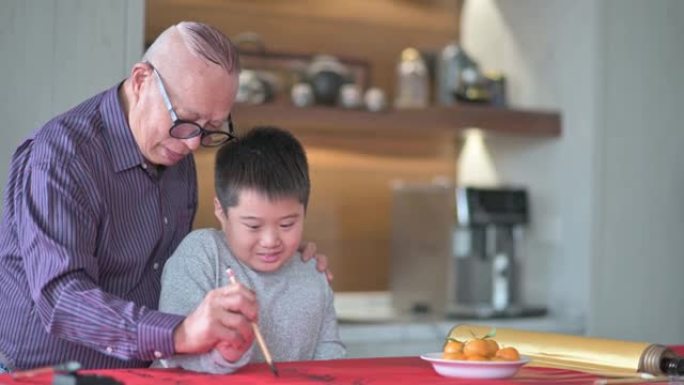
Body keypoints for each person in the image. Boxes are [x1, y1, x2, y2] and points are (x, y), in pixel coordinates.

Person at [0, 21, 330, 372]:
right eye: (185, 121)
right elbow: (63, 299)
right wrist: (176, 333)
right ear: (142, 80)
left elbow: (180, 265)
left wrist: (276, 250)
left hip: (141, 373)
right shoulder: (63, 155)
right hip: (43, 375)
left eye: (211, 128)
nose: (192, 144)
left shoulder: (176, 151)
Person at [155, 126, 345, 373]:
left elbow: (331, 354)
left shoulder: (312, 272)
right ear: (221, 210)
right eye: (253, 225)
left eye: (287, 224)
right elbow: (170, 350)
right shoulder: (201, 255)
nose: (270, 240)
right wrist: (225, 356)